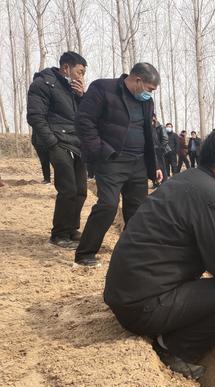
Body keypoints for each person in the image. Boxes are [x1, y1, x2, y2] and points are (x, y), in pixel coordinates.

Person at [104, 130, 215, 379]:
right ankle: (175, 347)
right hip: (145, 308)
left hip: (126, 295)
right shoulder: (214, 196)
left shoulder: (186, 181)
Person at [74, 62, 163, 267]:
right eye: (150, 89)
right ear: (138, 80)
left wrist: (155, 163)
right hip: (112, 160)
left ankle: (133, 253)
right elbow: (84, 121)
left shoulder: (146, 102)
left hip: (138, 162)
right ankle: (85, 254)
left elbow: (149, 134)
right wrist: (100, 150)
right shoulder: (103, 89)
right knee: (108, 205)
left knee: (137, 210)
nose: (151, 94)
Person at [27, 51, 88, 249]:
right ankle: (59, 234)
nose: (81, 77)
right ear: (66, 68)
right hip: (57, 141)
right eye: (79, 72)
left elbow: (83, 116)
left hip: (75, 142)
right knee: (68, 188)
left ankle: (71, 228)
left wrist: (81, 97)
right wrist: (51, 142)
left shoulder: (72, 89)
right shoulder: (43, 84)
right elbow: (35, 116)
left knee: (81, 190)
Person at [152, 114, 169, 188]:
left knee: (161, 167)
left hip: (159, 150)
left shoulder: (161, 127)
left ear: (155, 118)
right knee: (154, 167)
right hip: (152, 150)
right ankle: (155, 183)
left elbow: (165, 139)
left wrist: (160, 148)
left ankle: (164, 183)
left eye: (153, 118)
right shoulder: (149, 127)